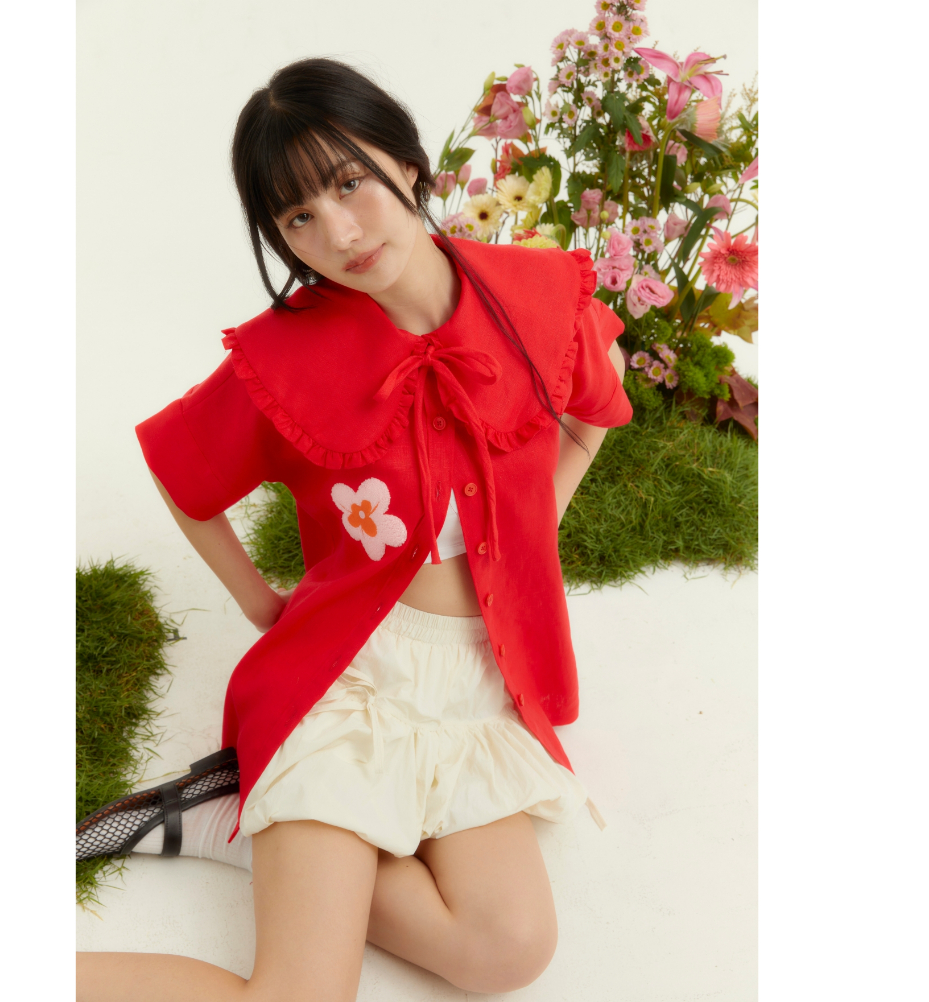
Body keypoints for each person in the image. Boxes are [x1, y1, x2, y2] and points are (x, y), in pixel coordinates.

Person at [76, 56, 630, 1001]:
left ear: (407, 162)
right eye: (296, 217)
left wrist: (530, 529)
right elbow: (183, 473)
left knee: (507, 951)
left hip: (476, 684)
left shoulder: (534, 296)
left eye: (348, 184)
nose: (336, 232)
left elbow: (594, 408)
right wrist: (259, 604)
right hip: (344, 678)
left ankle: (240, 825)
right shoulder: (288, 352)